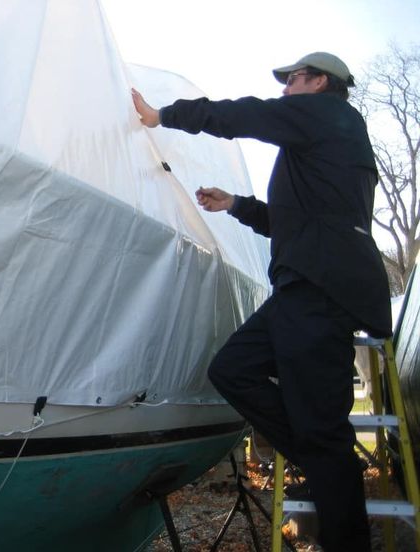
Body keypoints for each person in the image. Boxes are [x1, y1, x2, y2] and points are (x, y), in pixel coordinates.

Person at [132, 52, 391, 552]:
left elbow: (246, 115)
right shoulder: (322, 142)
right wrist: (236, 205)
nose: (285, 89)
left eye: (293, 79)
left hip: (321, 291)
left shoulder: (329, 114)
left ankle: (340, 510)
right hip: (302, 288)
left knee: (323, 435)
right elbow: (292, 222)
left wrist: (164, 115)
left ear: (320, 82)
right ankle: (322, 458)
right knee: (233, 369)